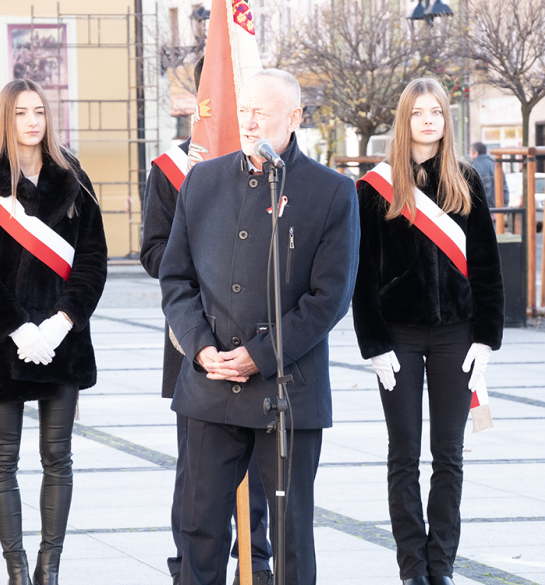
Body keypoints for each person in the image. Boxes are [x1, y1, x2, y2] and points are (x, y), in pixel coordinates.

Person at [160, 69, 360, 585]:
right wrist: (201, 350)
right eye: (243, 109)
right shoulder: (201, 181)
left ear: (294, 118)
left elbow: (329, 298)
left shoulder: (332, 192)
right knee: (198, 527)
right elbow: (176, 278)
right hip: (209, 383)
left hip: (287, 389)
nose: (248, 121)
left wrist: (262, 355)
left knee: (291, 535)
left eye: (261, 112)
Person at [352, 78, 504, 585]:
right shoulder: (374, 188)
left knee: (449, 456)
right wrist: (373, 344)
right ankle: (411, 568)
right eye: (418, 112)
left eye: (436, 110)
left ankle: (441, 566)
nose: (428, 120)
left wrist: (486, 337)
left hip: (457, 336)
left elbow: (486, 265)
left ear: (446, 119)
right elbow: (362, 276)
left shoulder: (466, 181)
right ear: (405, 120)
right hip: (398, 337)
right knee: (403, 456)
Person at [0, 79, 107, 585]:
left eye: (39, 110)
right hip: (0, 344)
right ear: (6, 118)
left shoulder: (74, 179)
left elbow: (92, 260)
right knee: (3, 458)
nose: (32, 120)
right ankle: (16, 567)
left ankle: (50, 565)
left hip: (61, 340)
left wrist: (62, 322)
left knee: (57, 458)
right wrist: (19, 330)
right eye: (21, 112)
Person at [140, 57, 274, 585]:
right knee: (198, 474)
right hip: (196, 337)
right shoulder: (172, 169)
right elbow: (156, 253)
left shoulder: (270, 165)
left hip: (258, 343)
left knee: (262, 470)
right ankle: (190, 567)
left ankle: (255, 562)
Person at [469, 141, 508, 208]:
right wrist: (504, 207)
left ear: (476, 153)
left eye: (470, 153)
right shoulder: (496, 164)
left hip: (483, 211)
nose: (469, 155)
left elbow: (477, 190)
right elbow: (504, 188)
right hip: (498, 211)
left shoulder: (474, 166)